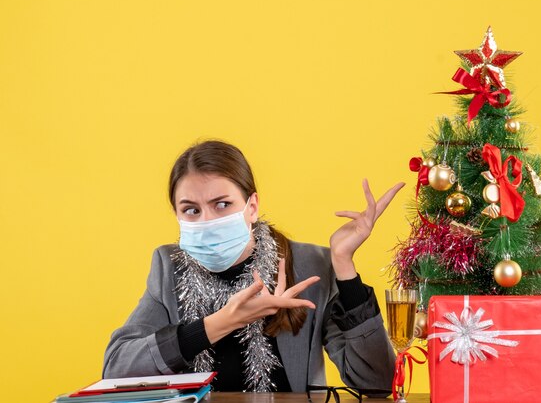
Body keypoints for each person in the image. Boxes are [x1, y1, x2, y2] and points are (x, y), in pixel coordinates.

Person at [103, 140, 403, 393]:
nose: (207, 220)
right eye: (191, 210)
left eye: (222, 204)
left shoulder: (312, 265)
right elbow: (117, 368)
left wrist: (344, 266)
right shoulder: (170, 267)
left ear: (252, 206)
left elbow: (377, 382)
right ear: (177, 215)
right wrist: (222, 322)